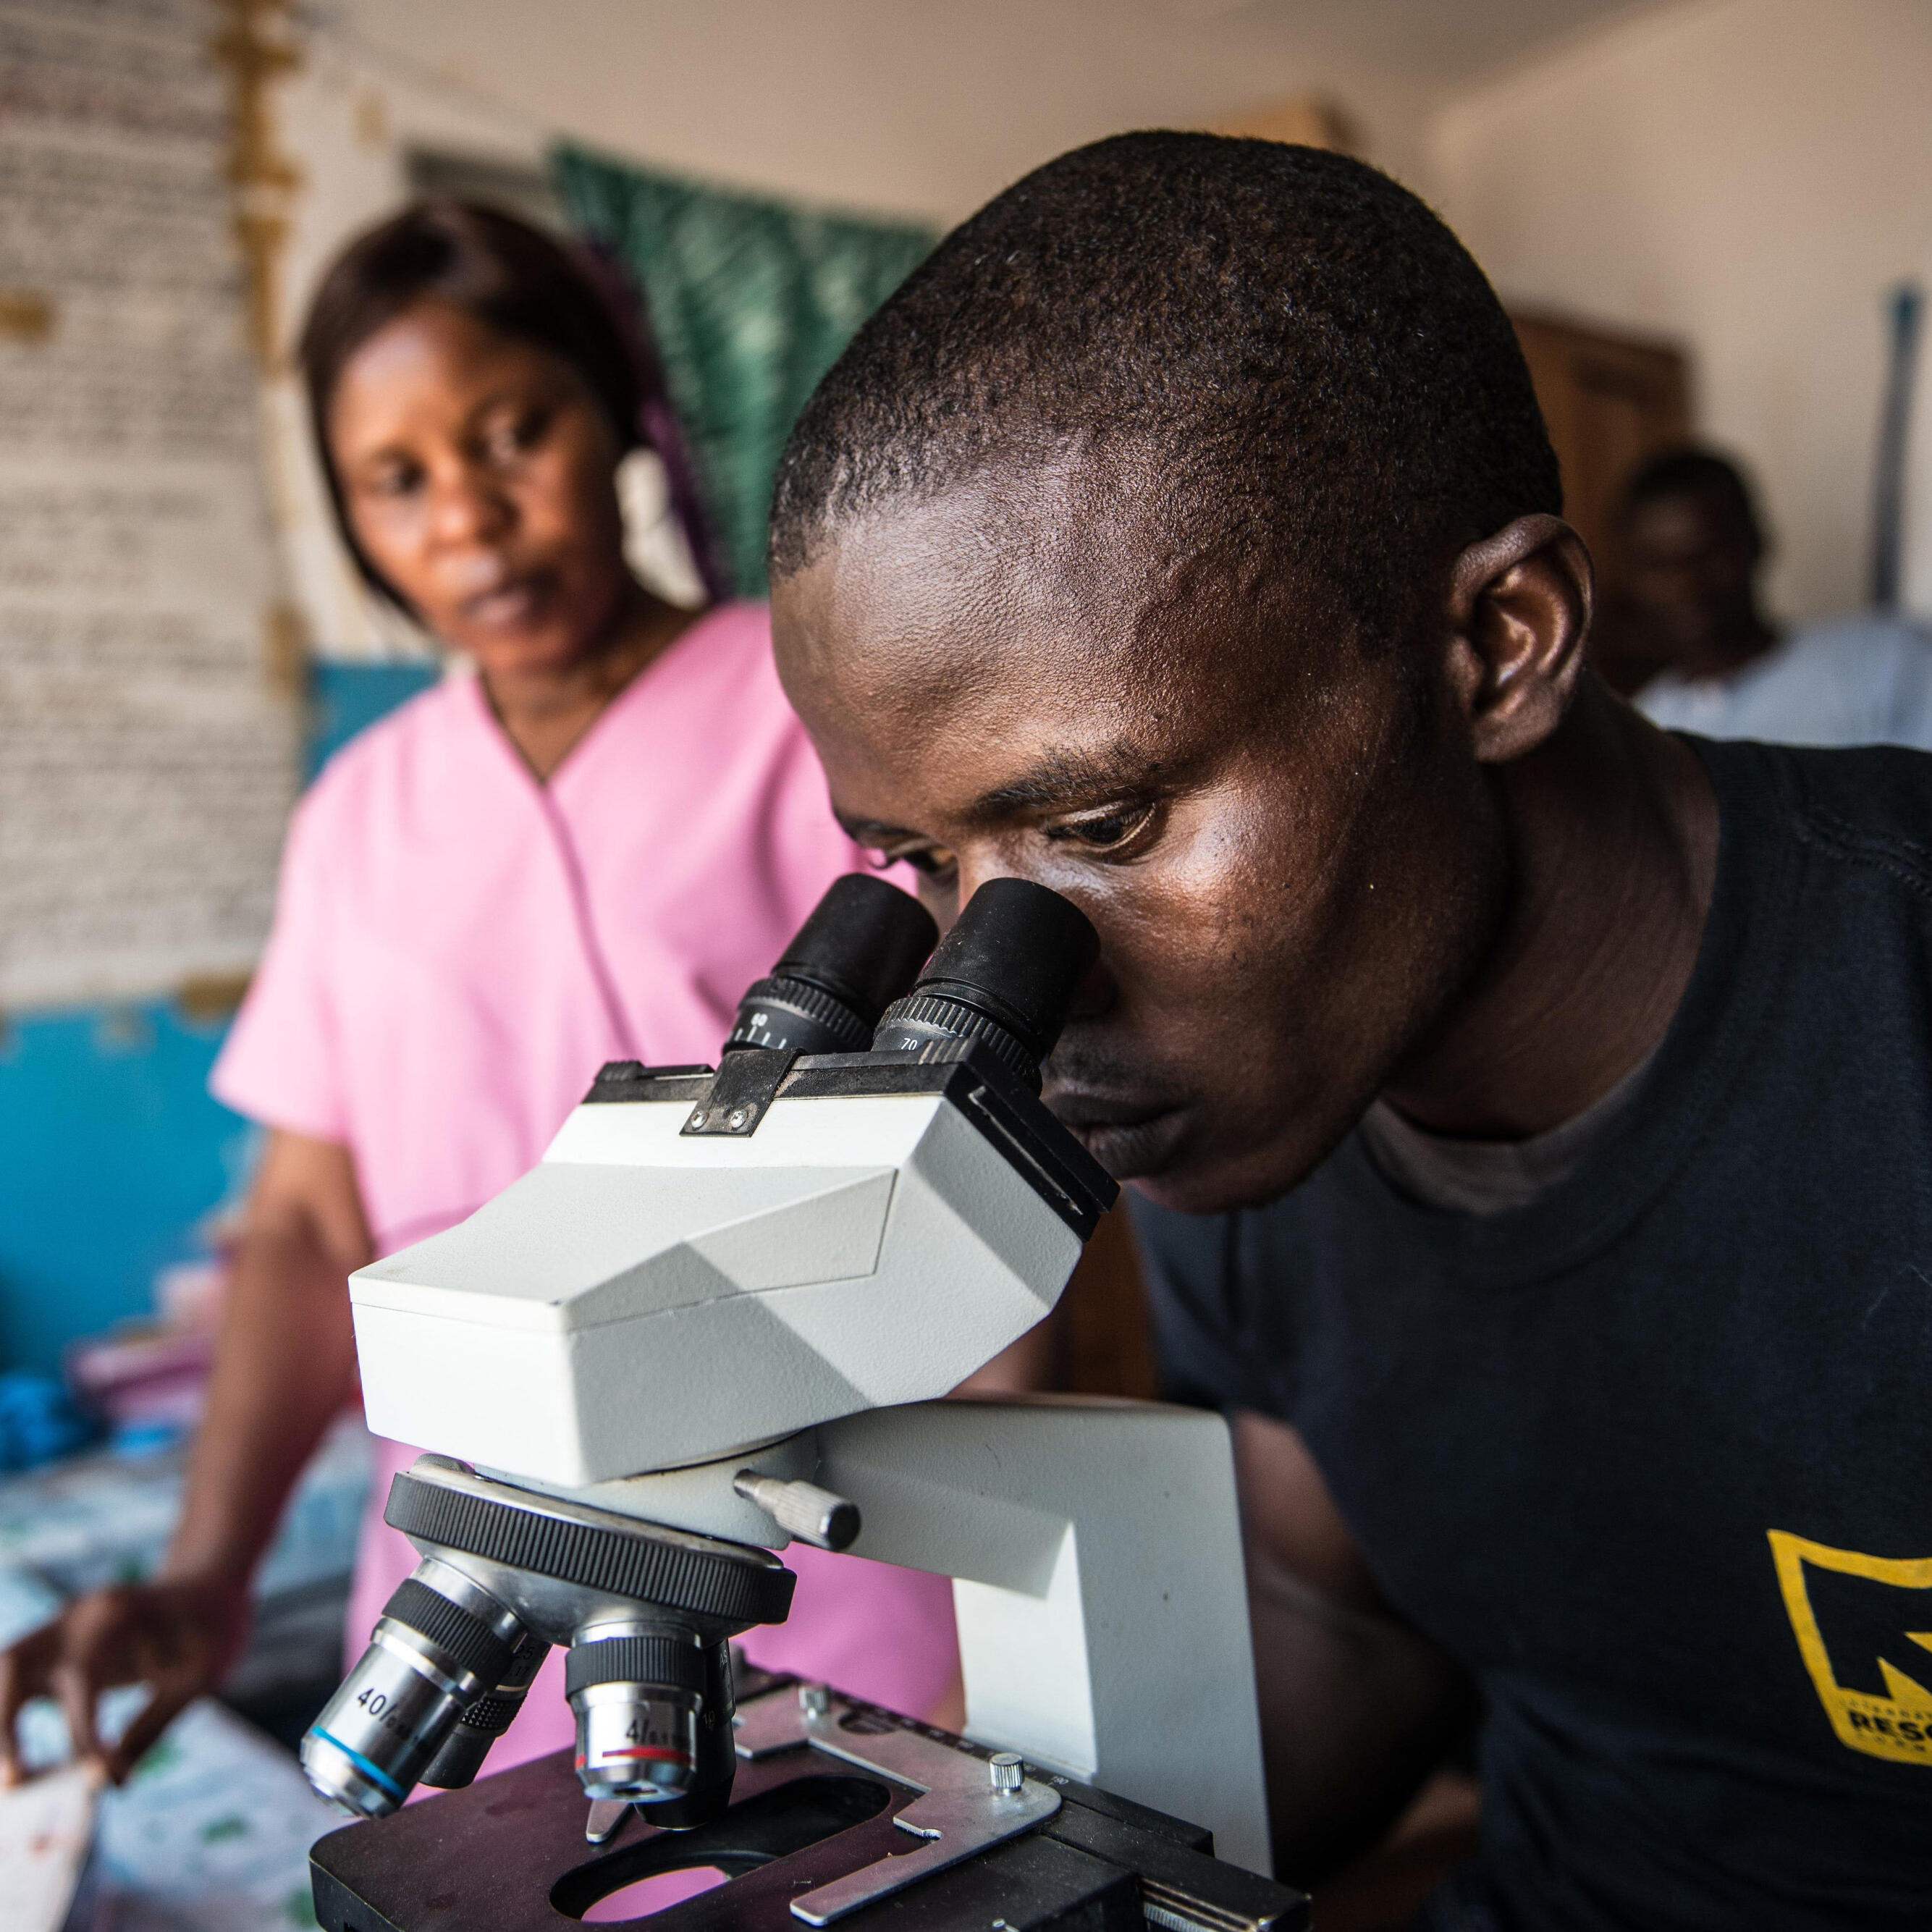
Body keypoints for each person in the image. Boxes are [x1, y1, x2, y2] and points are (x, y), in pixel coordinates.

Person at [761, 134, 1932, 1929]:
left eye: (1100, 826)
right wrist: (957, 1874)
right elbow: (1339, 1595)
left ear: (1500, 645)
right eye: (922, 858)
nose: (1008, 984)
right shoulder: (1248, 1097)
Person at [0, 202, 963, 1788]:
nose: (471, 515)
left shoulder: (808, 708)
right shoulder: (360, 813)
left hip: (811, 1552)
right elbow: (311, 1228)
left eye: (513, 432)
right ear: (355, 518)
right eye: (399, 478)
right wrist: (210, 1569)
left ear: (616, 423)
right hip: (463, 1597)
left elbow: (953, 1143)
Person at [1611, 444, 1932, 748]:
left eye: (1705, 556)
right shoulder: (1640, 734)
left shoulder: (1886, 665)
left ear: (1757, 542)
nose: (1686, 586)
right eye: (1658, 567)